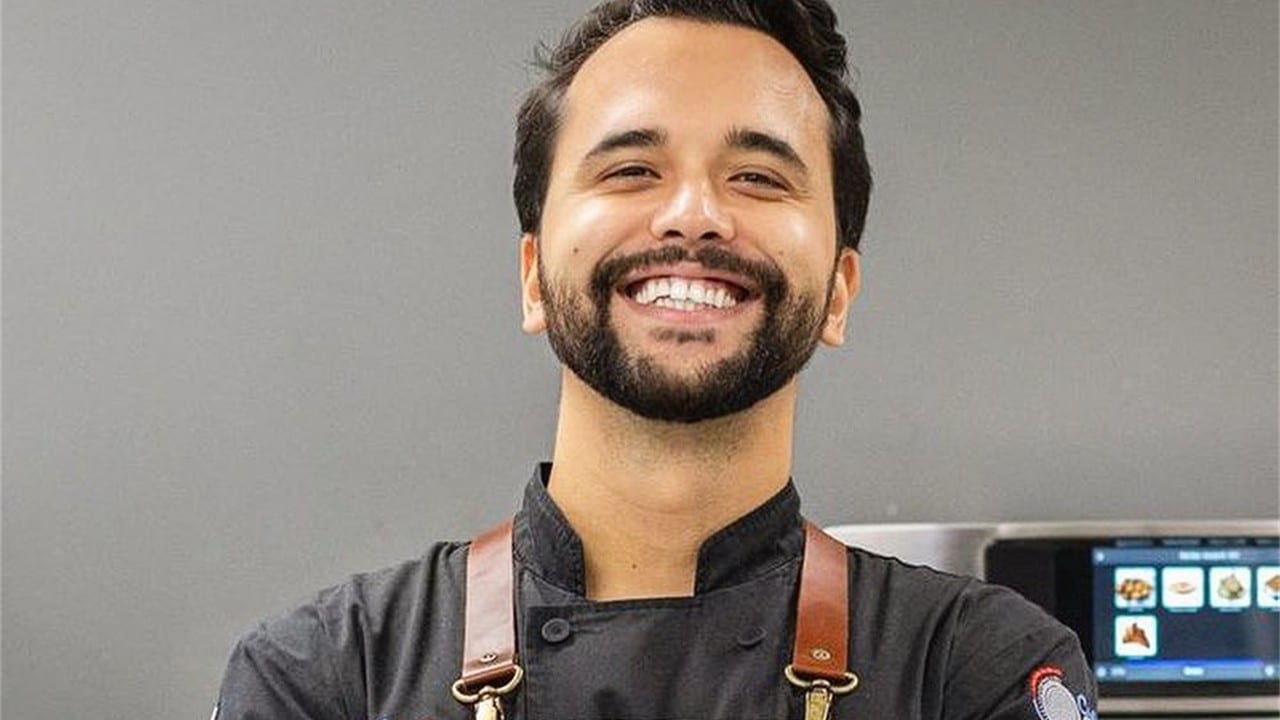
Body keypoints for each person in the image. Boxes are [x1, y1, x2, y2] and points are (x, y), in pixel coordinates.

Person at [215, 1, 1098, 718]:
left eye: (758, 177)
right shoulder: (326, 678)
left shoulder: (980, 671)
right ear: (533, 277)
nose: (693, 215)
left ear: (838, 291)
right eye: (632, 169)